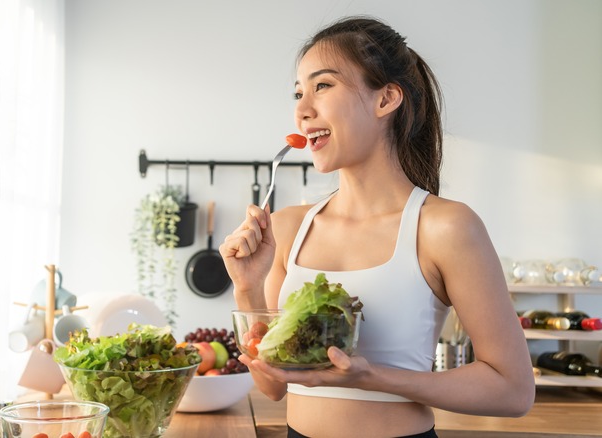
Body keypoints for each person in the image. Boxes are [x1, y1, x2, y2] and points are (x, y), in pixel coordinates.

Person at [219, 16, 535, 438]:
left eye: (323, 86)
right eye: (298, 92)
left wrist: (371, 377)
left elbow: (512, 391)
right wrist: (247, 288)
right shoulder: (289, 227)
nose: (302, 109)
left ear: (386, 99)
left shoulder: (445, 227)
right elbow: (273, 384)